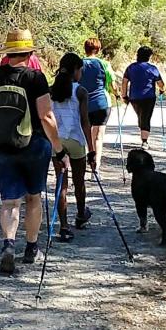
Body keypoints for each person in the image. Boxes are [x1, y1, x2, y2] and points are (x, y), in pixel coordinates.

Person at [0, 29, 66, 275]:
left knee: (9, 201)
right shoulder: (35, 78)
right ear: (29, 53)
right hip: (35, 146)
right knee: (33, 197)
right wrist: (58, 149)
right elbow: (46, 116)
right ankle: (31, 248)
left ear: (8, 53)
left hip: (1, 147)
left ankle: (8, 245)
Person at [50, 53, 97, 241]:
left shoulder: (50, 89)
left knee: (61, 184)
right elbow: (86, 123)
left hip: (57, 141)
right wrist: (92, 150)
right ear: (76, 70)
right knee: (79, 182)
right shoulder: (81, 92)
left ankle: (63, 226)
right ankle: (80, 215)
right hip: (76, 140)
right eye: (80, 70)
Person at [80, 37, 117, 173]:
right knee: (98, 136)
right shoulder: (104, 64)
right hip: (101, 103)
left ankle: (84, 162)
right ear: (98, 49)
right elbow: (113, 85)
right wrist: (118, 95)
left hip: (83, 104)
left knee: (85, 135)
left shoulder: (79, 63)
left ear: (85, 49)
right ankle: (96, 165)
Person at [121, 46, 165, 150]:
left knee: (141, 116)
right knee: (145, 117)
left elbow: (124, 82)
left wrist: (124, 96)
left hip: (134, 97)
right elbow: (160, 83)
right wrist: (162, 90)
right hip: (148, 97)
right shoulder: (152, 68)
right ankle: (144, 141)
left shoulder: (130, 67)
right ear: (149, 56)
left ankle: (143, 135)